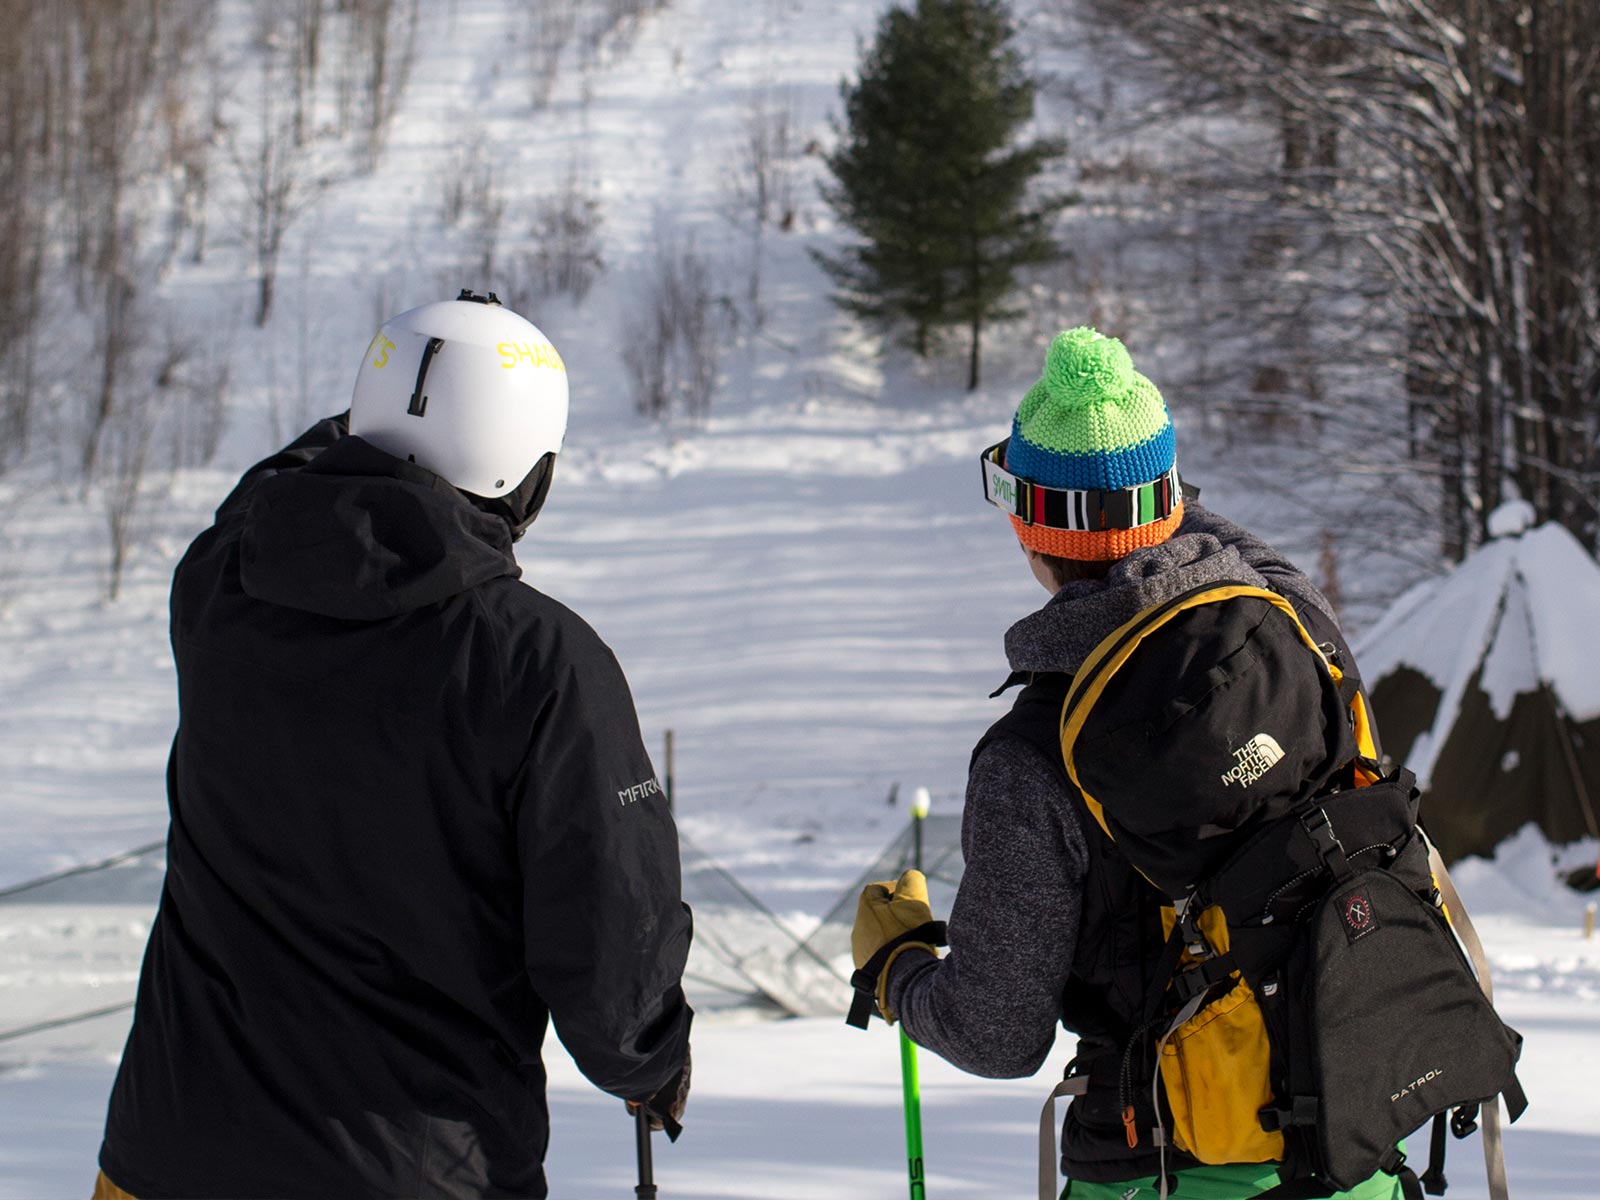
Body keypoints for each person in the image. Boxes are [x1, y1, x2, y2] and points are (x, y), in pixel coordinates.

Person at [95, 292, 692, 1200]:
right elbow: (612, 928)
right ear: (529, 473)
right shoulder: (538, 660)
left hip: (166, 1151)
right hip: (412, 1170)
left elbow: (282, 485)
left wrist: (406, 386)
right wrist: (649, 1063)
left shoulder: (222, 584)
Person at [850, 328, 1398, 1199]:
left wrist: (898, 968)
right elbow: (1207, 543)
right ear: (1171, 500)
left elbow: (996, 1033)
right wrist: (1141, 495)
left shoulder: (1034, 755)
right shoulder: (1295, 621)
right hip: (1360, 1129)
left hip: (1165, 1166)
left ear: (1028, 528)